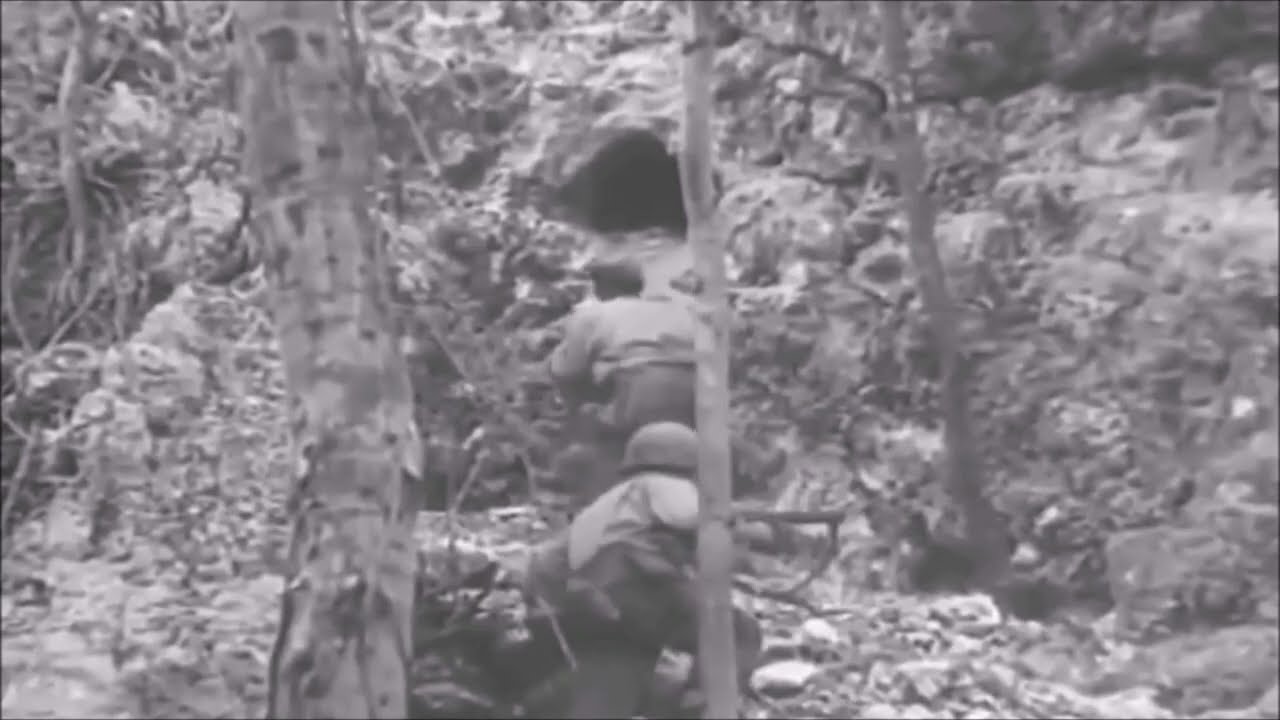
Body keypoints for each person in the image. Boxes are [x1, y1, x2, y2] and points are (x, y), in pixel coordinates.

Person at [521, 421, 763, 719]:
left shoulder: (615, 497)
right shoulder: (662, 484)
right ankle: (701, 703)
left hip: (572, 601)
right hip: (624, 590)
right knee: (738, 630)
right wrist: (738, 522)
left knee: (620, 669)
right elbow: (689, 518)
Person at [547, 256, 699, 501]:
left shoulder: (593, 315)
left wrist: (574, 407)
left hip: (637, 388)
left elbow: (566, 371)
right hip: (695, 387)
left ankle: (591, 482)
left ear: (599, 286)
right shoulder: (681, 308)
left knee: (593, 424)